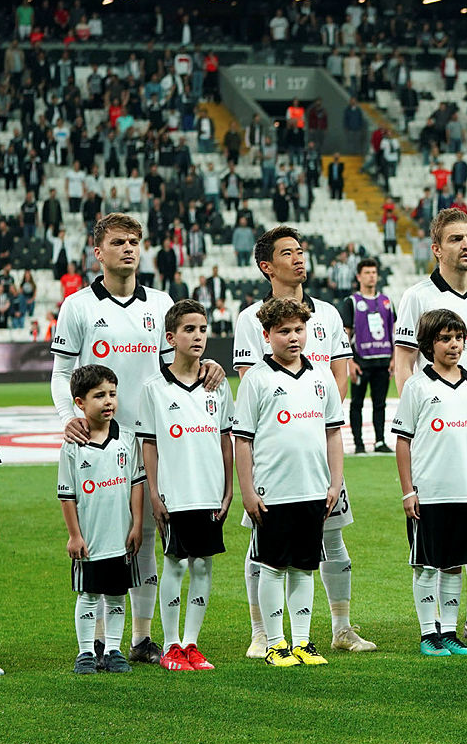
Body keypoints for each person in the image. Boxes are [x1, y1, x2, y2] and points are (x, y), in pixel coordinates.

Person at [51, 214, 224, 665]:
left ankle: (142, 638)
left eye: (134, 241)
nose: (128, 248)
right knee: (102, 538)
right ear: (98, 252)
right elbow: (62, 372)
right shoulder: (77, 306)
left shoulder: (161, 302)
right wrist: (68, 417)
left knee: (146, 536)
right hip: (100, 442)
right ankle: (98, 642)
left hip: (153, 440)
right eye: (118, 242)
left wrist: (208, 365)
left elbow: (176, 365)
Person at [232, 226, 370, 655]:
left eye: (301, 251)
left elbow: (339, 375)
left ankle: (341, 628)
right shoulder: (250, 318)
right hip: (276, 459)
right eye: (287, 253)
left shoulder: (326, 313)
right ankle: (262, 633)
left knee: (333, 540)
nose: (299, 258)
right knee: (264, 549)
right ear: (267, 266)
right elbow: (252, 387)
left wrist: (319, 419)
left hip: (319, 451)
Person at [393, 208, 467, 643]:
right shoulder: (417, 296)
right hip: (440, 426)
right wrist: (422, 410)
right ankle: (435, 628)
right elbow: (403, 361)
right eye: (456, 238)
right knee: (442, 534)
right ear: (437, 248)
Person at [233, 297, 345, 668]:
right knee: (271, 567)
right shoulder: (256, 379)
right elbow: (243, 440)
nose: (293, 337)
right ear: (266, 336)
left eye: (299, 329)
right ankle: (274, 643)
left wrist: (334, 483)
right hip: (272, 493)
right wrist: (248, 491)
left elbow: (333, 433)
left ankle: (302, 641)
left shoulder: (321, 376)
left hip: (313, 489)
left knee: (304, 568)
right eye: (284, 331)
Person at [138, 300, 232, 672]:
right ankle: (171, 645)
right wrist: (154, 492)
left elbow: (226, 439)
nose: (197, 336)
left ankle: (191, 644)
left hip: (210, 491)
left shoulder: (217, 386)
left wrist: (228, 489)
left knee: (203, 566)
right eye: (189, 329)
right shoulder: (154, 388)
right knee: (175, 565)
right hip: (174, 493)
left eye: (202, 329)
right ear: (170, 337)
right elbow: (149, 444)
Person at [393, 309, 467, 658]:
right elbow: (403, 441)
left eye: (458, 338)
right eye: (445, 338)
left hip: (463, 492)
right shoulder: (417, 386)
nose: (454, 344)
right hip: (428, 492)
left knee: (454, 564)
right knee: (427, 564)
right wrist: (408, 490)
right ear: (429, 344)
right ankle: (427, 633)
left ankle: (449, 631)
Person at [58, 365, 146, 675]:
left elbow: (136, 484)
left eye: (112, 394)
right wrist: (74, 535)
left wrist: (137, 524)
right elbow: (67, 495)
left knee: (117, 595)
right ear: (80, 403)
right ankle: (85, 652)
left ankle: (113, 650)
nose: (108, 401)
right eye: (99, 396)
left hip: (120, 536)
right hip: (90, 538)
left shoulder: (127, 439)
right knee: (89, 595)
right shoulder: (72, 446)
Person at [346, 258, 394, 454]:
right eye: (367, 272)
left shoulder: (386, 301)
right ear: (358, 277)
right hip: (361, 362)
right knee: (356, 404)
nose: (371, 276)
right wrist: (350, 362)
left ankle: (380, 441)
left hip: (383, 361)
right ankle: (358, 443)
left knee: (380, 404)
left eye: (373, 272)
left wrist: (394, 359)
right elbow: (346, 334)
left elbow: (393, 331)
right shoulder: (352, 302)